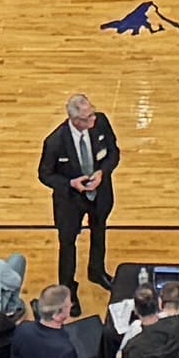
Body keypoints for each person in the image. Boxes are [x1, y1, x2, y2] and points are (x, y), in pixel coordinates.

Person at [38, 95, 120, 293]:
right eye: (88, 117)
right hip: (70, 201)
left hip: (99, 194)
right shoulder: (55, 142)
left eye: (92, 113)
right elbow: (45, 174)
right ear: (76, 120)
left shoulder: (101, 123)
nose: (94, 119)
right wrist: (70, 183)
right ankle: (68, 289)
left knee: (99, 231)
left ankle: (97, 271)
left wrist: (103, 172)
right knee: (67, 244)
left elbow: (113, 152)